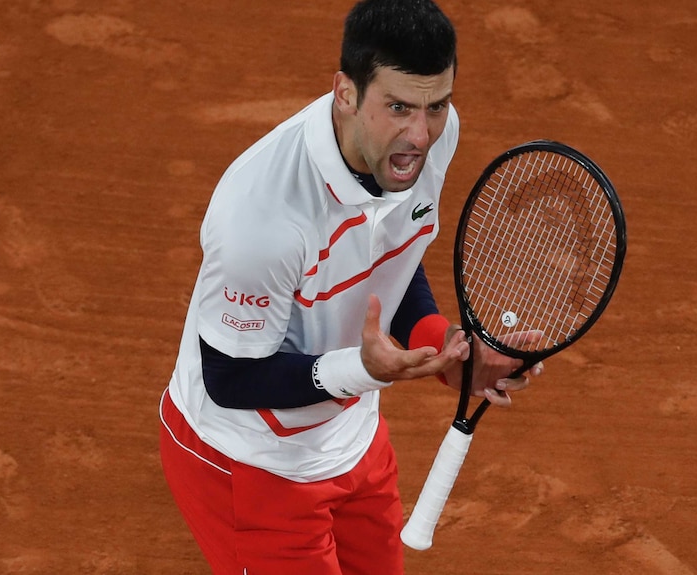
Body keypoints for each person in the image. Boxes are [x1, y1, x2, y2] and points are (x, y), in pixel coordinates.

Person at [159, 1, 544, 573]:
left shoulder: (429, 143)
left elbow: (387, 257)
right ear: (345, 93)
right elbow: (230, 378)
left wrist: (446, 349)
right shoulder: (261, 219)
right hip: (249, 463)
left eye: (436, 106)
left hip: (352, 442)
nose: (420, 134)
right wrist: (361, 371)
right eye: (398, 107)